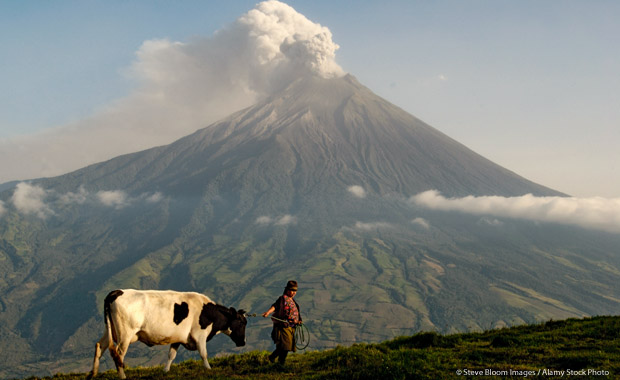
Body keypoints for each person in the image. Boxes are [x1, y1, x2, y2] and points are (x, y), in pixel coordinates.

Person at [262, 280, 302, 364]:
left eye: (295, 291)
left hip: (291, 327)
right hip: (283, 326)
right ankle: (276, 359)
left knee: (285, 346)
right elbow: (275, 306)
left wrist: (298, 321)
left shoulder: (293, 301)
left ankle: (277, 360)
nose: (293, 292)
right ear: (287, 290)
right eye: (291, 290)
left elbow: (296, 313)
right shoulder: (282, 299)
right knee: (285, 346)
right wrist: (268, 312)